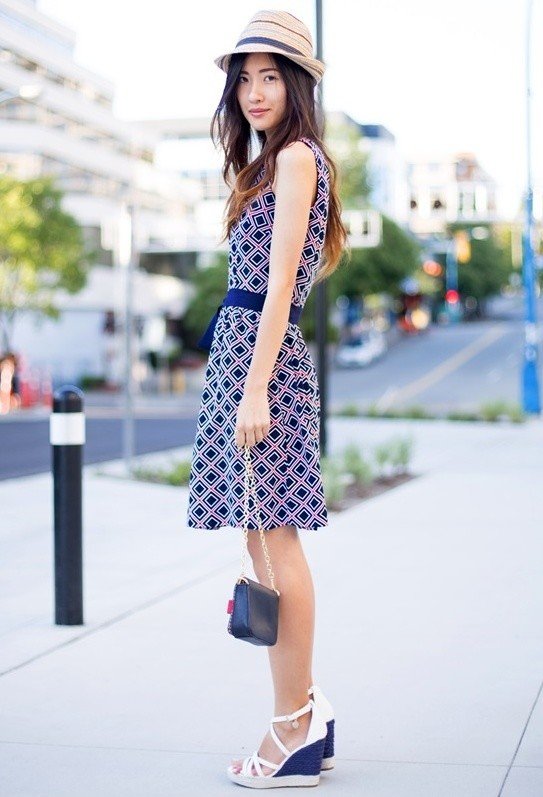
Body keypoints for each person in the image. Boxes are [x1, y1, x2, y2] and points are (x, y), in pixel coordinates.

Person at [186, 9, 348, 789]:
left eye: (270, 75)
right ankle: (304, 711)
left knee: (277, 543)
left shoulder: (295, 160)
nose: (254, 91)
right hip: (242, 353)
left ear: (297, 84)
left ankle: (293, 728)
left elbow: (282, 281)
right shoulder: (264, 162)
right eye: (244, 77)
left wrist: (253, 386)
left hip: (265, 363)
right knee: (260, 539)